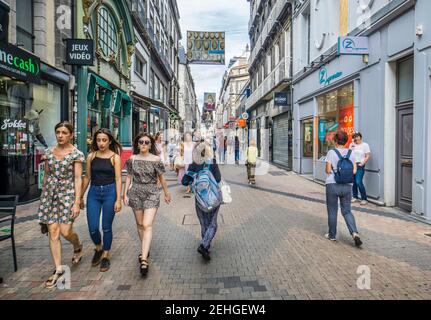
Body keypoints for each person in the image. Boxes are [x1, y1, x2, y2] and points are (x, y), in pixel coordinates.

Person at [38, 122, 85, 288]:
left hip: (67, 194)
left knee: (66, 231)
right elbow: (46, 175)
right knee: (53, 231)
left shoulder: (76, 154)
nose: (60, 135)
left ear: (71, 135)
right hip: (49, 195)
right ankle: (58, 269)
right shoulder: (49, 152)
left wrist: (77, 202)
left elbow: (78, 178)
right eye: (58, 132)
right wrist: (43, 196)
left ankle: (77, 246)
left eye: (64, 132)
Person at [123, 133, 171, 277]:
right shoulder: (132, 159)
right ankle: (145, 248)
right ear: (137, 144)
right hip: (135, 192)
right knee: (139, 224)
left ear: (151, 145)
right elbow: (129, 176)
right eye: (141, 142)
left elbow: (161, 178)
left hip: (151, 192)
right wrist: (125, 194)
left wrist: (167, 193)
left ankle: (144, 259)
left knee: (146, 224)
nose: (143, 144)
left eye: (146, 142)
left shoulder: (156, 160)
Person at [80, 129, 123, 272]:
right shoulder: (91, 156)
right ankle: (98, 248)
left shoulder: (115, 157)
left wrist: (118, 199)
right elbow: (87, 178)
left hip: (110, 192)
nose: (101, 143)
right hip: (94, 193)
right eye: (98, 140)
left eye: (104, 140)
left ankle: (105, 254)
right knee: (92, 227)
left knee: (106, 227)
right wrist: (79, 197)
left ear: (110, 141)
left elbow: (118, 179)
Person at [181, 142, 221, 261]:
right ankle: (204, 246)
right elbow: (218, 178)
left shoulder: (194, 164)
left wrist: (193, 179)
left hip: (199, 200)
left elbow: (184, 181)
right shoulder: (212, 162)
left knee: (204, 223)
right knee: (213, 224)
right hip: (213, 198)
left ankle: (206, 246)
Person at [325, 131, 363, 247]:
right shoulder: (352, 153)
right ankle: (355, 233)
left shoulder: (331, 152)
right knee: (346, 211)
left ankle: (332, 235)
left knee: (332, 210)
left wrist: (334, 170)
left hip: (332, 184)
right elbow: (355, 171)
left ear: (335, 140)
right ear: (346, 140)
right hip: (347, 186)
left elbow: (327, 170)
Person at [350, 132, 371, 205]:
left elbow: (368, 155)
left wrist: (363, 162)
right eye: (355, 138)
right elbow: (350, 154)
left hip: (360, 165)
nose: (357, 140)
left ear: (360, 137)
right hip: (352, 164)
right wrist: (352, 146)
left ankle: (364, 198)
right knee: (354, 182)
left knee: (358, 181)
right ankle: (355, 196)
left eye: (358, 138)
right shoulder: (352, 145)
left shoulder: (365, 145)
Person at [183, 132, 195, 198]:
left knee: (192, 174)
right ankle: (188, 188)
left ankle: (192, 187)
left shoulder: (193, 144)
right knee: (187, 174)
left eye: (189, 136)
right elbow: (181, 153)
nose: (188, 137)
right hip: (186, 161)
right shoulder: (183, 144)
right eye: (187, 136)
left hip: (192, 161)